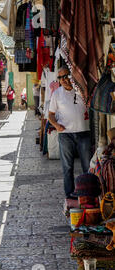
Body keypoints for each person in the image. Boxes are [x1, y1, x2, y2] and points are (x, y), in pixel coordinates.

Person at [48, 66, 92, 198]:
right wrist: (56, 125)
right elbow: (50, 115)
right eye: (60, 77)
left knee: (87, 166)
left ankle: (89, 193)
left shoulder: (81, 90)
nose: (64, 80)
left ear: (71, 76)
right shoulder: (57, 94)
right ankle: (70, 195)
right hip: (65, 135)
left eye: (66, 76)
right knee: (67, 168)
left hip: (84, 132)